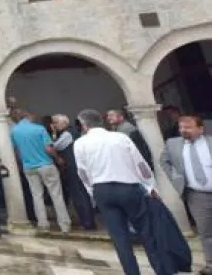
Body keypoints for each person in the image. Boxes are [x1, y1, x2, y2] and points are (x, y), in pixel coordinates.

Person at [73, 109, 160, 275]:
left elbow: (83, 172)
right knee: (146, 231)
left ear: (84, 125)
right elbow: (140, 164)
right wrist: (150, 186)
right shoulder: (120, 137)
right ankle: (160, 269)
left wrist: (93, 192)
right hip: (128, 187)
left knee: (119, 237)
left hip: (102, 190)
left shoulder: (80, 143)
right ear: (101, 121)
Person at [160, 114, 212, 275]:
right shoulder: (173, 144)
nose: (183, 130)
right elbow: (164, 161)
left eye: (188, 127)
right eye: (181, 127)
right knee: (206, 232)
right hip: (197, 196)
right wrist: (176, 179)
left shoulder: (210, 142)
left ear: (200, 129)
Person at [10, 108, 70, 233]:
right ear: (27, 117)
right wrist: (58, 158)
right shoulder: (39, 129)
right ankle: (64, 224)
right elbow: (48, 148)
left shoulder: (14, 131)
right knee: (56, 194)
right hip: (46, 164)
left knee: (36, 196)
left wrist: (22, 164)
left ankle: (43, 224)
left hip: (29, 167)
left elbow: (16, 151)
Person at [51, 114, 96, 231]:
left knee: (79, 195)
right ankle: (87, 221)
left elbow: (56, 146)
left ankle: (87, 222)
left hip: (73, 167)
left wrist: (54, 134)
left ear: (64, 123)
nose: (54, 125)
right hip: (76, 166)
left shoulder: (67, 133)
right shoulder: (72, 132)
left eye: (56, 123)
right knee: (81, 194)